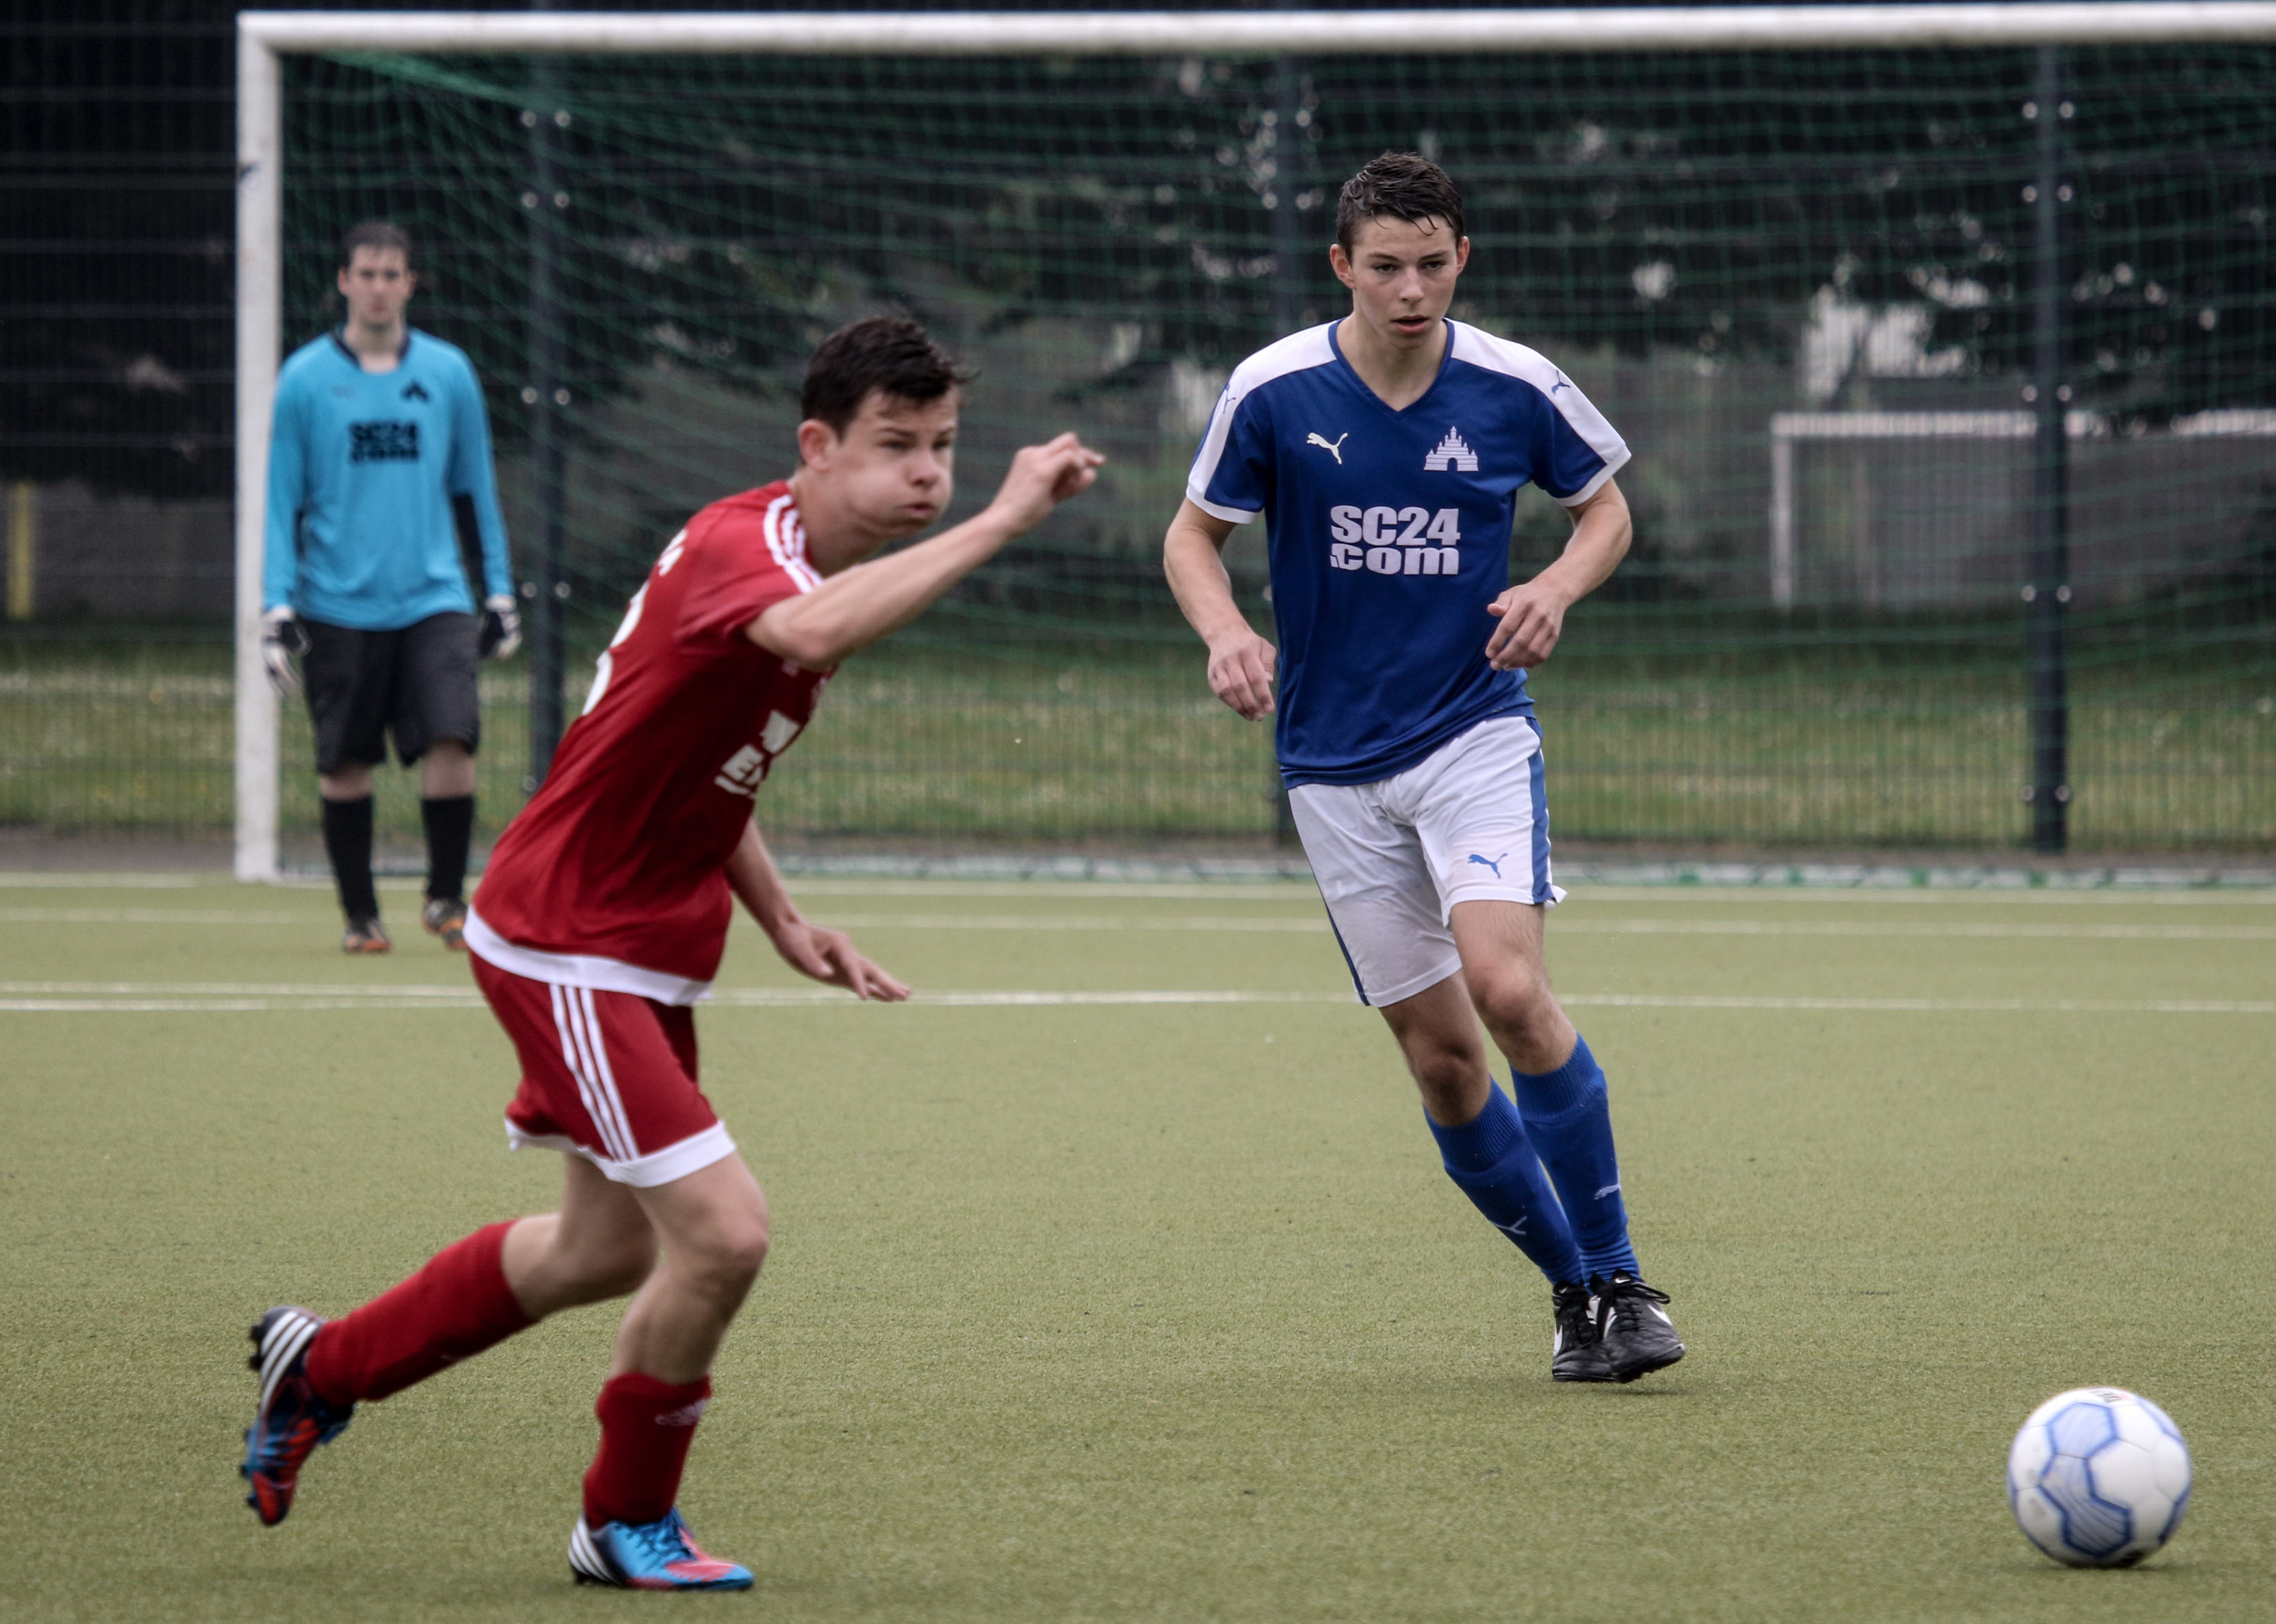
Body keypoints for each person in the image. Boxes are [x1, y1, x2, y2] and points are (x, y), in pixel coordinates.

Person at [240, 317, 1104, 1589]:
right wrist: (1003, 520)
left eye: (943, 446)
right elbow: (811, 637)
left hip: (636, 944)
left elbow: (701, 759)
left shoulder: (798, 558)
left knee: (601, 1251)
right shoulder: (744, 553)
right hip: (567, 938)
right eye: (894, 445)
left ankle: (320, 1366)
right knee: (724, 1234)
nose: (927, 472)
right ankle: (622, 1516)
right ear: (816, 446)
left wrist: (784, 919)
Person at [1162, 153, 1684, 1385]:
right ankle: (1572, 1294)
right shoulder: (1272, 390)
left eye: (1432, 264)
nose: (1410, 289)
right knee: (1443, 1061)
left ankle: (1622, 1278)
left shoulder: (1514, 385)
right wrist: (1226, 632)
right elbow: (1191, 536)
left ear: (1462, 259)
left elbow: (1605, 509)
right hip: (1330, 764)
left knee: (1507, 988)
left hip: (1473, 732)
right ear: (1341, 265)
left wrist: (1555, 586)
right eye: (1385, 266)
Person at [260, 220, 521, 955]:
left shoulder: (448, 373)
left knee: (452, 738)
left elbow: (474, 489)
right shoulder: (304, 379)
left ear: (410, 284)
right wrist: (276, 605)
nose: (378, 288)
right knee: (345, 764)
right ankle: (360, 915)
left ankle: (446, 899)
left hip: (434, 599)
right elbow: (282, 502)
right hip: (335, 603)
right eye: (366, 274)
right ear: (344, 281)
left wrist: (499, 592)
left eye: (391, 275)